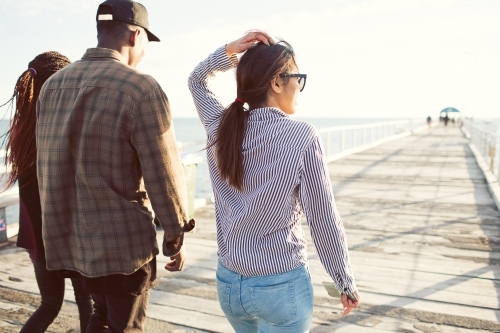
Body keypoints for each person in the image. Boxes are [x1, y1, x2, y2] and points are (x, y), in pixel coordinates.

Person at [35, 0, 194, 331]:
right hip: (123, 247)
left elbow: (47, 166)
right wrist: (175, 235)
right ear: (136, 35)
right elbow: (162, 173)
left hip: (73, 242)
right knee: (124, 326)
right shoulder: (140, 87)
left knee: (100, 315)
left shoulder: (53, 86)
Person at [188, 31, 360, 332]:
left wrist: (230, 51)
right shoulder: (302, 136)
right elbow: (323, 219)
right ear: (277, 82)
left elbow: (196, 81)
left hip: (229, 284)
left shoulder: (220, 126)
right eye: (298, 77)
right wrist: (343, 280)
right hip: (280, 287)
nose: (299, 86)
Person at [1, 52, 93, 333]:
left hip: (38, 241)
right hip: (71, 236)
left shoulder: (23, 133)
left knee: (49, 304)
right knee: (86, 304)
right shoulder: (62, 130)